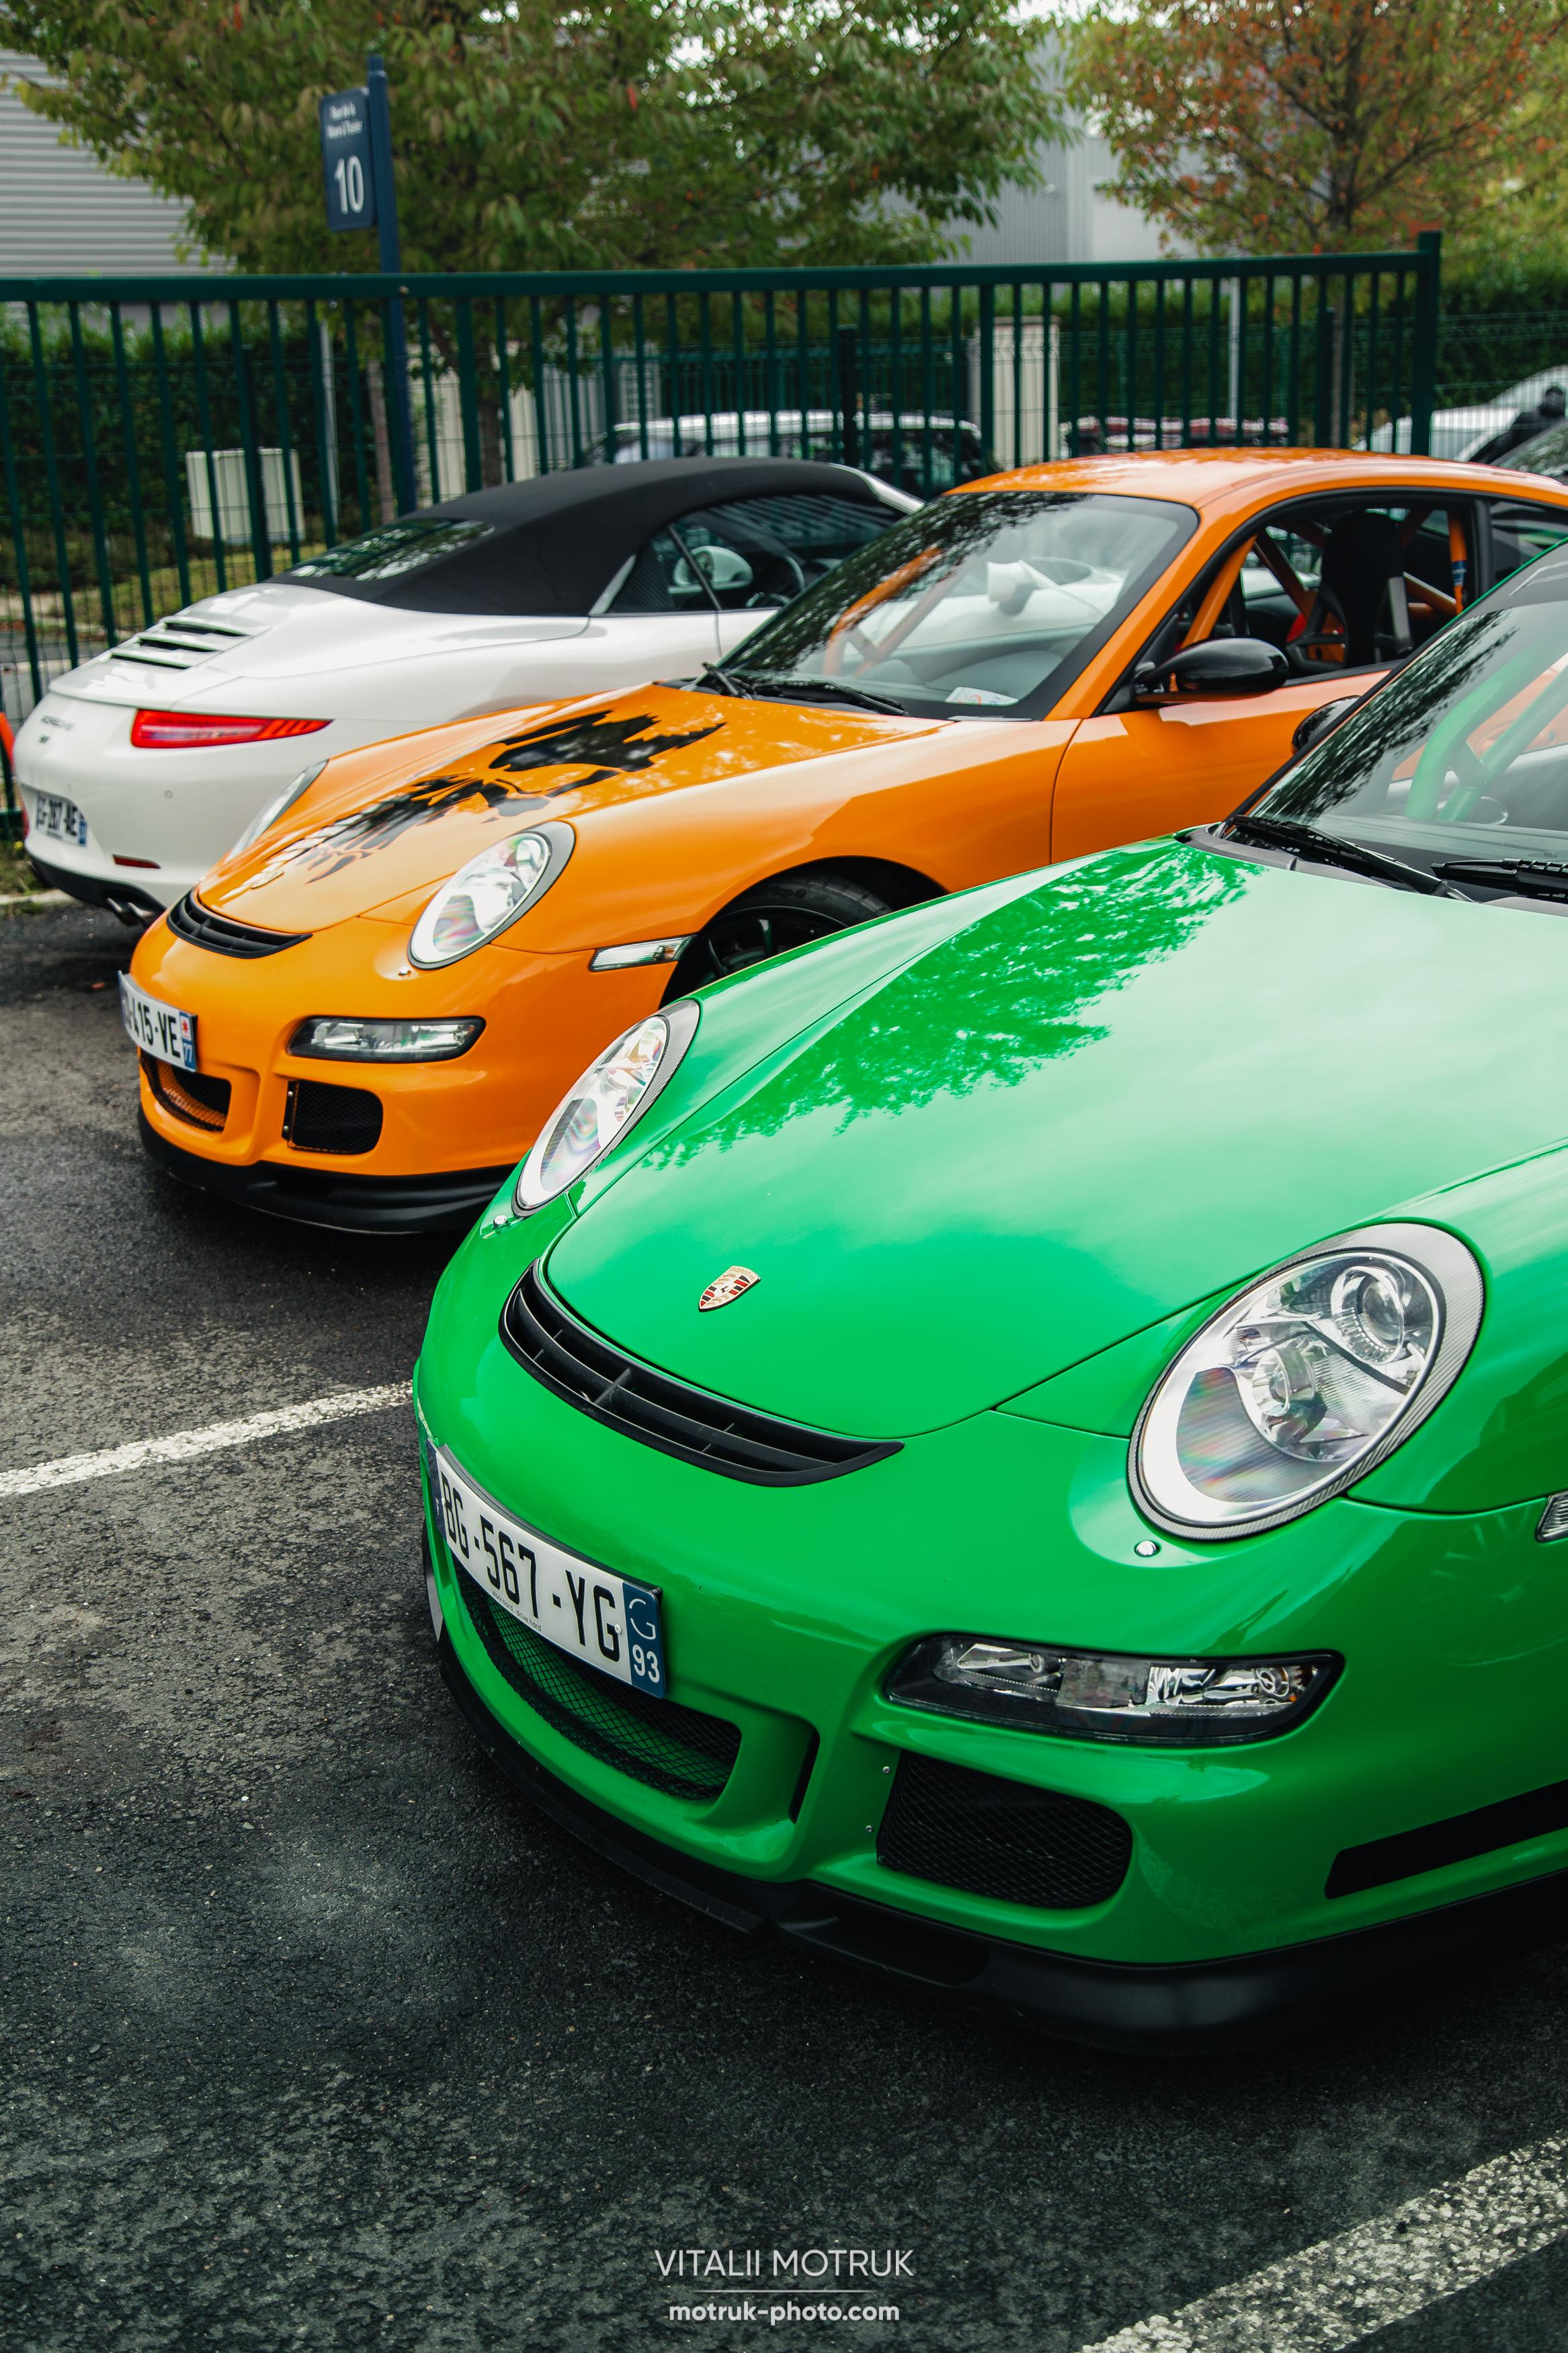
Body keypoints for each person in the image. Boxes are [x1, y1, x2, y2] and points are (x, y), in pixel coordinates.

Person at [1471, 383, 1568, 465]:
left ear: (1544, 398)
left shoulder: (1526, 418)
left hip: (1520, 467)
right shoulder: (1563, 426)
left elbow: (1504, 445)